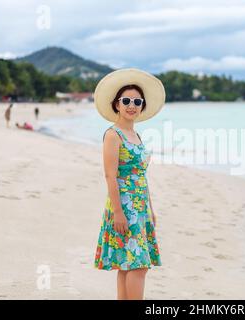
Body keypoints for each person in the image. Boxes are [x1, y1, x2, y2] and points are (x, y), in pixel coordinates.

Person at [93, 68, 166, 300]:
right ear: (116, 104)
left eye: (137, 101)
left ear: (142, 106)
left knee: (129, 263)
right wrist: (118, 212)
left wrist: (150, 210)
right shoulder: (113, 135)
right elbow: (110, 176)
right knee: (139, 265)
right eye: (126, 100)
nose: (131, 105)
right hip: (124, 206)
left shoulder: (136, 134)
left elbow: (141, 176)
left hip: (140, 207)